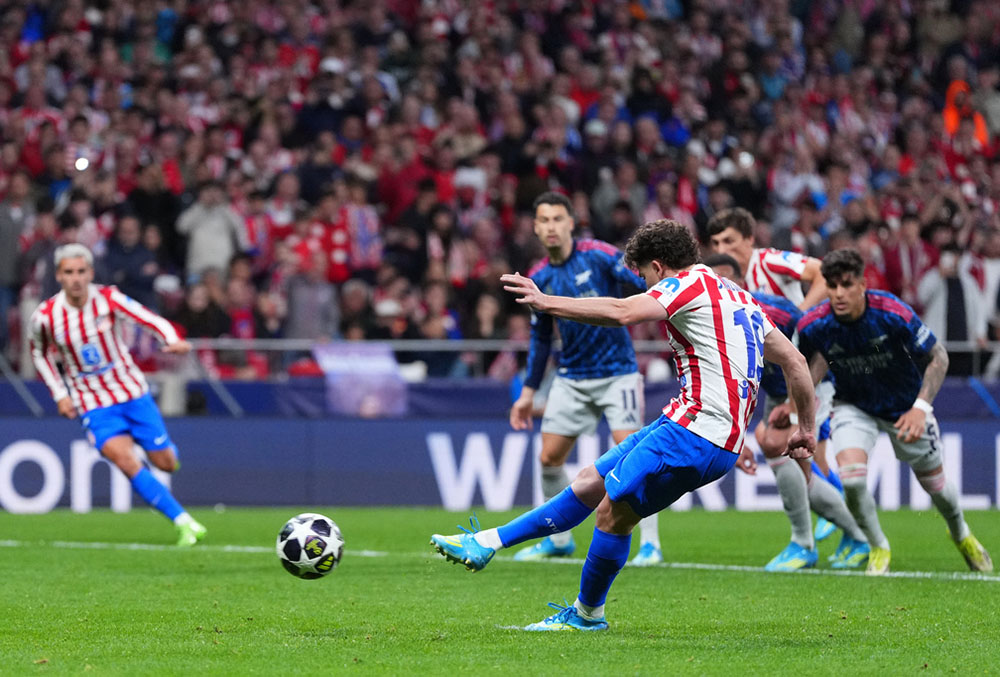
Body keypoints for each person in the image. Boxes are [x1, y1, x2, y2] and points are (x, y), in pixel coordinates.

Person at [431, 220, 818, 631]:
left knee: (611, 516)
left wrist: (547, 303)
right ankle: (486, 542)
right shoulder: (741, 298)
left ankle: (587, 615)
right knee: (587, 482)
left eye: (645, 277)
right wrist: (805, 427)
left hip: (695, 433)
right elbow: (795, 361)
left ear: (658, 266)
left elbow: (622, 311)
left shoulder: (685, 283)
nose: (647, 285)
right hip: (690, 425)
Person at [796, 249, 992, 575]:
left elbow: (939, 357)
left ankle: (961, 533)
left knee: (938, 489)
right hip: (853, 405)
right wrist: (796, 409)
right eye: (832, 285)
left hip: (905, 407)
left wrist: (920, 408)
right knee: (853, 479)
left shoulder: (891, 312)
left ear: (863, 283)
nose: (839, 293)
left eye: (847, 284)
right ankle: (877, 546)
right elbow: (813, 364)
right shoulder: (815, 324)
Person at [509, 191, 662, 566]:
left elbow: (638, 279)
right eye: (543, 220)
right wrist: (528, 392)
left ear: (570, 223)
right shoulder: (540, 277)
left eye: (557, 219)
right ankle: (559, 540)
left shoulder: (597, 254)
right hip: (572, 377)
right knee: (549, 458)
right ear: (535, 227)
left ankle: (651, 545)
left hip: (617, 374)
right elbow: (541, 339)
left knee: (634, 457)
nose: (551, 226)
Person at [29, 243, 207, 547]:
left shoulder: (107, 299)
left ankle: (164, 455)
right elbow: (40, 354)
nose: (76, 278)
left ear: (90, 273)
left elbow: (145, 317)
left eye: (81, 271)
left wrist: (171, 338)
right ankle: (184, 522)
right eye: (69, 272)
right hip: (92, 403)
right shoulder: (46, 317)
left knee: (165, 463)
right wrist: (60, 393)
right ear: (59, 275)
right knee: (124, 460)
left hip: (131, 392)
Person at [706, 253, 869, 571]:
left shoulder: (778, 313)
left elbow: (818, 349)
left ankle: (805, 543)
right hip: (778, 390)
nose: (712, 289)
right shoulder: (712, 320)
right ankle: (853, 535)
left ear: (740, 284)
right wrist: (737, 435)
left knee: (780, 445)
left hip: (814, 384)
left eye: (720, 282)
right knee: (797, 465)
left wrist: (794, 405)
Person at [707, 206, 842, 540]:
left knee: (811, 454)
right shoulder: (729, 278)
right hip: (779, 376)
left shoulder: (768, 261)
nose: (722, 249)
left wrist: (800, 317)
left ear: (750, 239)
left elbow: (823, 271)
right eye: (716, 242)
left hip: (811, 365)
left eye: (730, 240)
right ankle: (842, 527)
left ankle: (848, 526)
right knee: (796, 453)